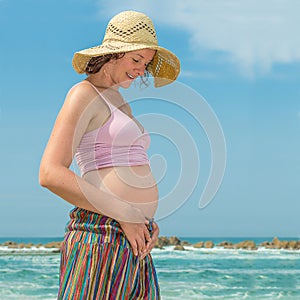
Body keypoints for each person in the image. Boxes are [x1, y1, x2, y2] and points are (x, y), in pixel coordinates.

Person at [39, 10, 180, 299]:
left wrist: (141, 219)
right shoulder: (83, 93)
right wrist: (125, 213)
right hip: (100, 235)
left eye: (147, 64)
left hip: (132, 239)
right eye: (136, 59)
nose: (142, 70)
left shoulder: (118, 100)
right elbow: (50, 173)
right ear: (113, 54)